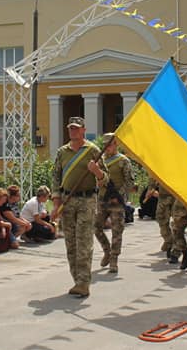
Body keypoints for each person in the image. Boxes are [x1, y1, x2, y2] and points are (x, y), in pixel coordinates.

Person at [52, 116, 107, 297]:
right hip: (67, 201)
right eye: (70, 128)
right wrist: (56, 205)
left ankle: (84, 283)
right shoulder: (62, 152)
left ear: (83, 130)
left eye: (76, 128)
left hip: (86, 200)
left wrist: (96, 171)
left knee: (84, 241)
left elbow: (105, 179)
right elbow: (56, 179)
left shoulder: (93, 151)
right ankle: (77, 279)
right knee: (71, 243)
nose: (73, 131)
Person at [94, 133, 134, 274]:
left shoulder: (123, 161)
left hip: (116, 201)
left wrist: (119, 195)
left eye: (109, 145)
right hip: (103, 199)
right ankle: (107, 251)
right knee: (96, 227)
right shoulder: (101, 161)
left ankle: (114, 260)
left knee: (117, 231)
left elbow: (130, 181)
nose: (107, 148)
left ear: (115, 144)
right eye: (105, 146)